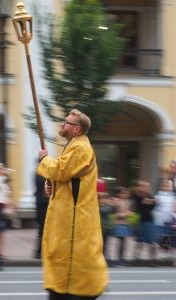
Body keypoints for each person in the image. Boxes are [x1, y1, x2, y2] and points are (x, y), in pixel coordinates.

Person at [37, 109, 108, 300]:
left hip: (75, 225)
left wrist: (44, 160)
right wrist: (50, 185)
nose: (62, 124)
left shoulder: (81, 149)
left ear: (77, 129)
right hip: (66, 223)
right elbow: (66, 177)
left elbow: (60, 169)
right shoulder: (73, 146)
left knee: (78, 269)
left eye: (66, 122)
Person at [34, 170, 49, 259]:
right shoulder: (40, 175)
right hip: (42, 207)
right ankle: (39, 251)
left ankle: (40, 251)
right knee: (42, 230)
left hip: (42, 205)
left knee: (43, 230)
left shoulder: (39, 174)